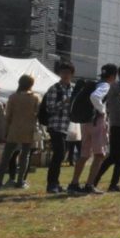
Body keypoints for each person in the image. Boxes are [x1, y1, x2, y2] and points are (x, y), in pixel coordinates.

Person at [90, 65, 120, 193]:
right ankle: (94, 180)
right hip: (117, 125)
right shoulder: (114, 86)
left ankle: (114, 183)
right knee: (113, 156)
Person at [70, 65, 113, 194]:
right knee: (99, 154)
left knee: (84, 154)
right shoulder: (105, 85)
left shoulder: (94, 83)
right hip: (97, 121)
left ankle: (74, 183)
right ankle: (89, 185)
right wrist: (102, 110)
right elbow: (95, 97)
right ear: (113, 76)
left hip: (86, 122)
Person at [0, 75, 41, 190]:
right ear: (31, 84)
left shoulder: (13, 97)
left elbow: (8, 115)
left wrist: (6, 130)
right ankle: (20, 181)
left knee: (6, 156)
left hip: (14, 129)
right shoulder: (35, 97)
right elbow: (37, 114)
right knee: (25, 156)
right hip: (29, 129)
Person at [41, 63, 76, 193]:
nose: (65, 75)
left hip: (67, 126)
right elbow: (50, 108)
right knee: (59, 154)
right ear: (60, 74)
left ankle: (56, 183)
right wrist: (65, 101)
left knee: (61, 155)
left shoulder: (73, 89)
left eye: (68, 73)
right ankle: (52, 184)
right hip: (55, 126)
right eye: (63, 72)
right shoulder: (54, 89)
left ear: (72, 74)